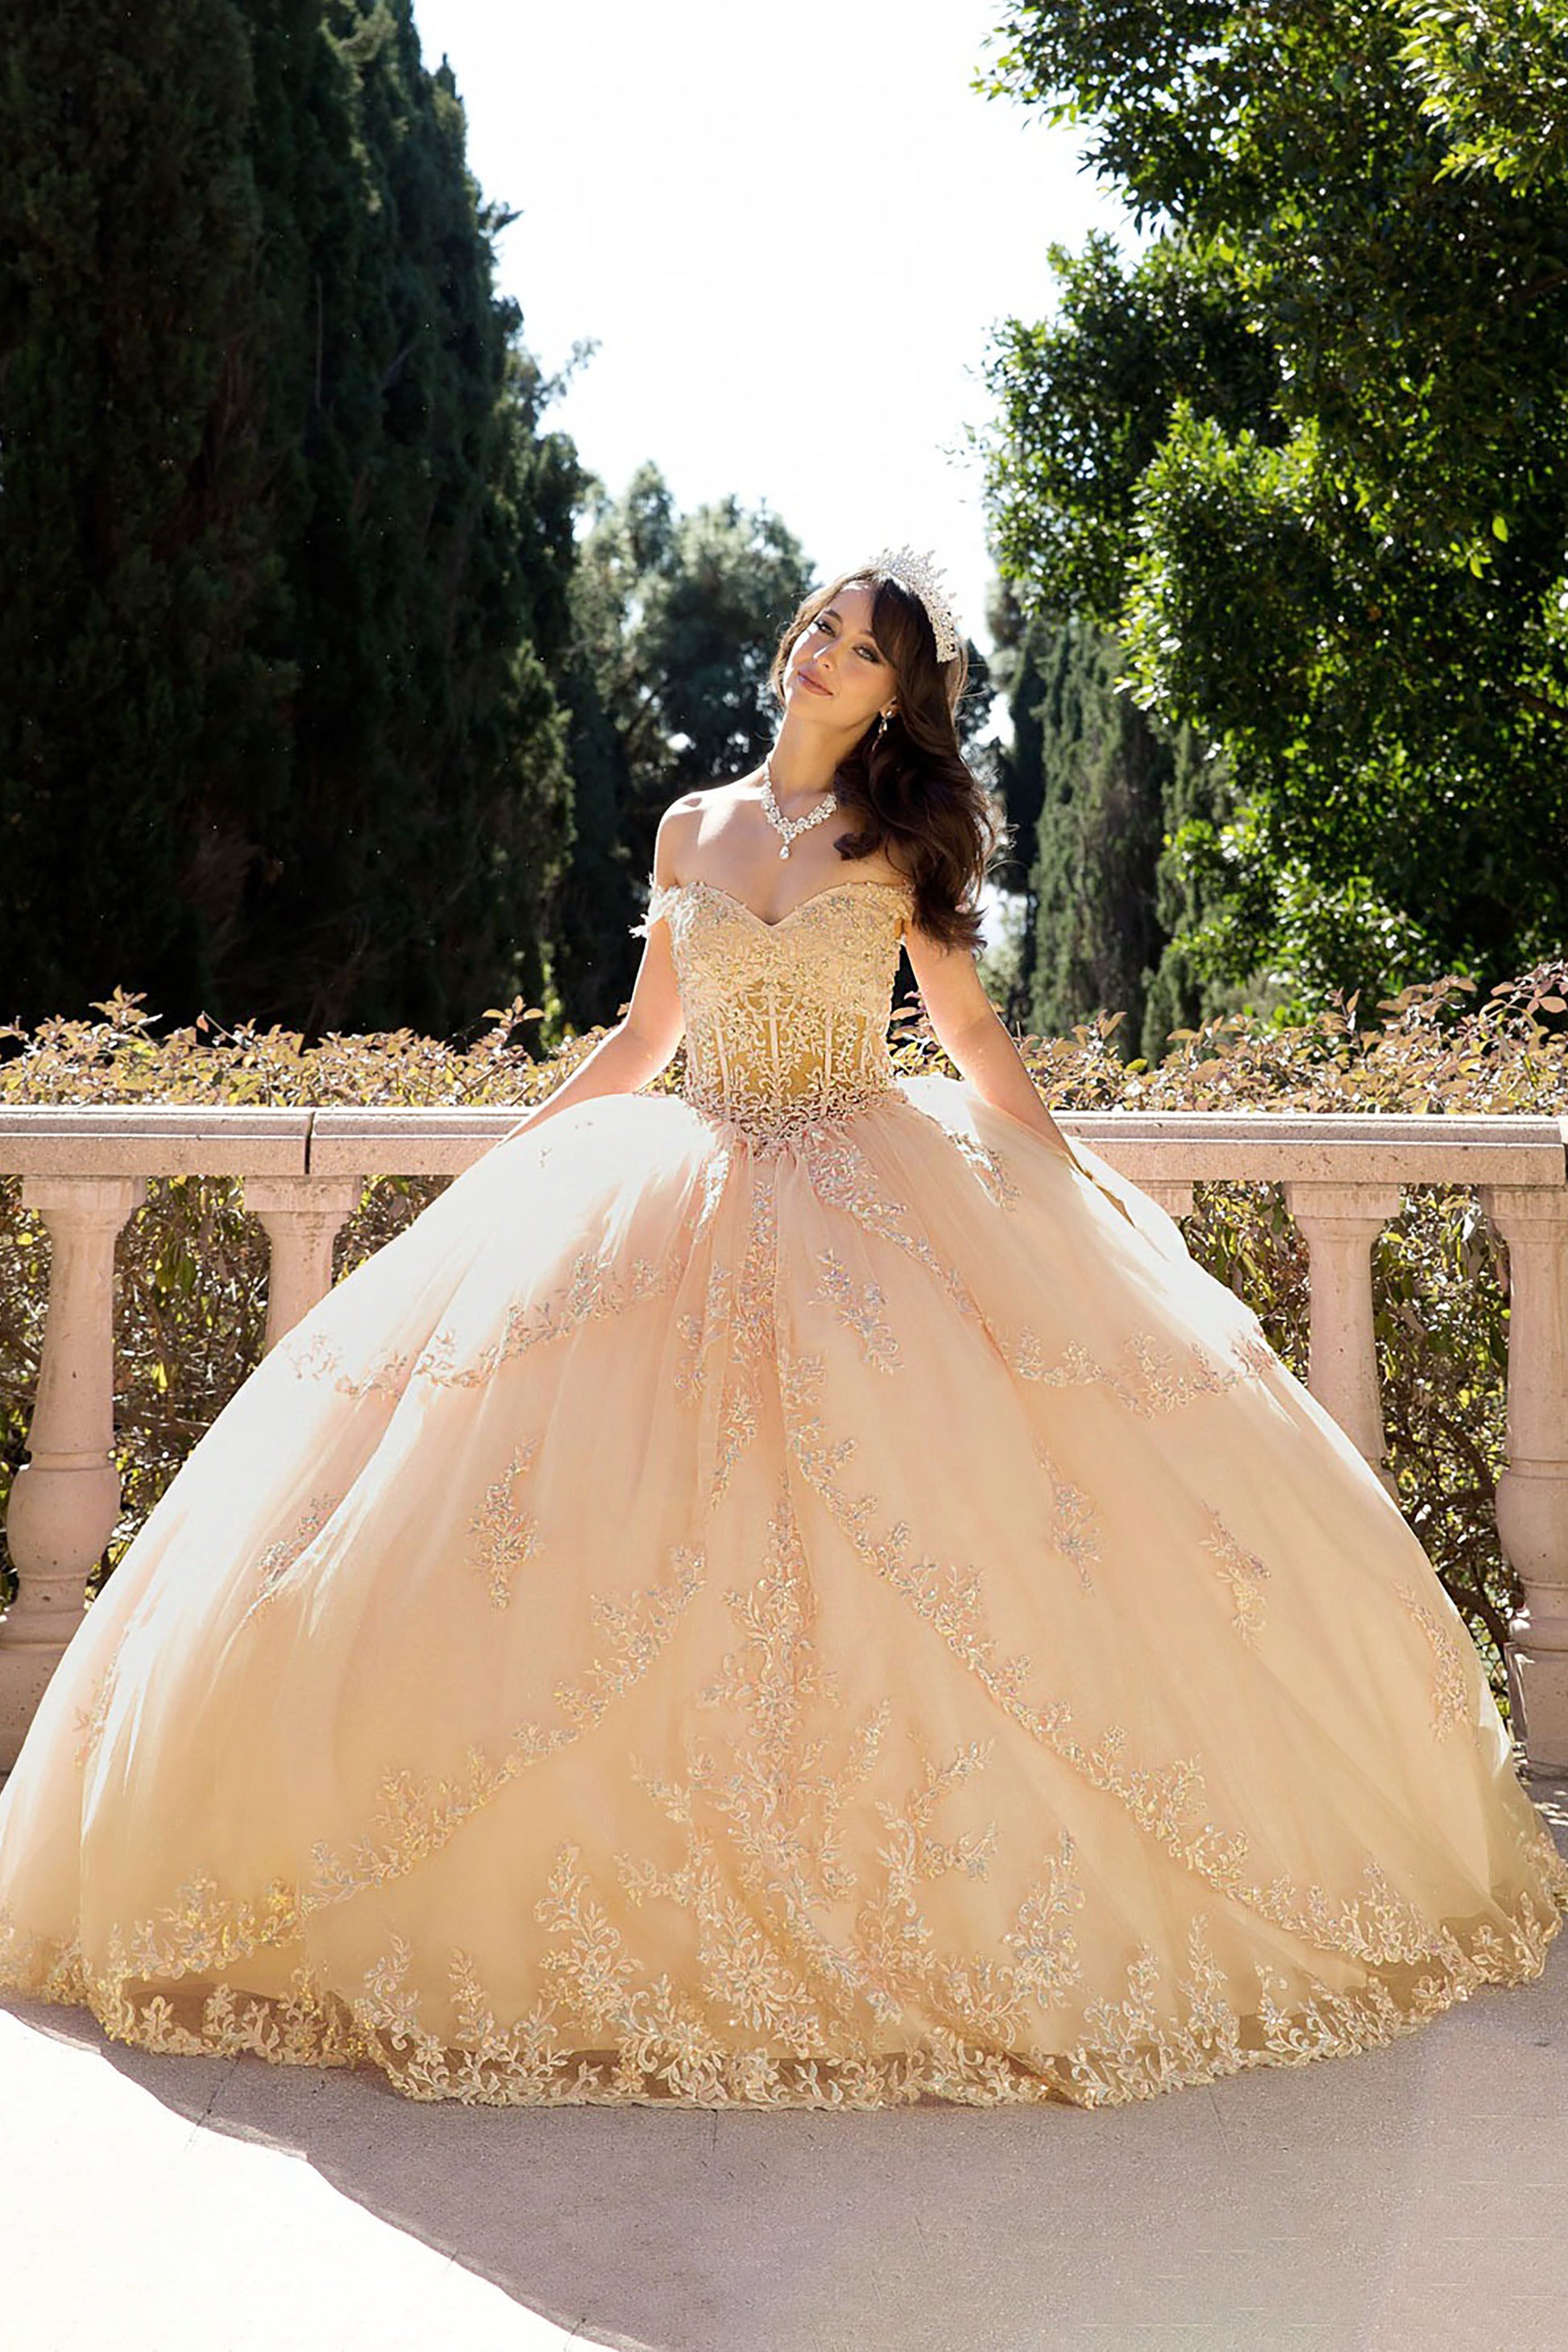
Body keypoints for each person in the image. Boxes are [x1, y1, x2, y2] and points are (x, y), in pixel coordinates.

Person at [1, 548, 1563, 2111]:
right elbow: (643, 1034)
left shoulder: (896, 838)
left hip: (864, 1197)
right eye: (820, 624)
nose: (823, 651)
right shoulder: (692, 823)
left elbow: (966, 1029)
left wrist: (1068, 1181)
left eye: (863, 647)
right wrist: (510, 1162)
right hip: (680, 1185)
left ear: (895, 697)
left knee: (893, 1535)